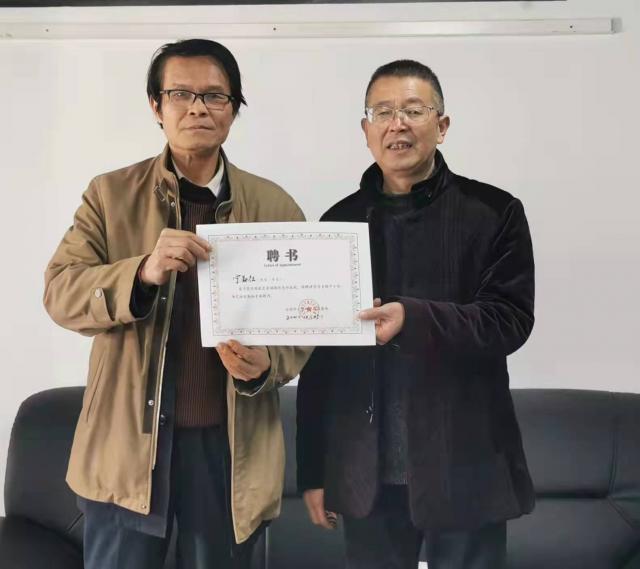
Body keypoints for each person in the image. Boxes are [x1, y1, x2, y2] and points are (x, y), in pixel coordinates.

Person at [44, 38, 310, 569]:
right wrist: (141, 272)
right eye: (180, 94)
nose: (197, 108)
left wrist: (268, 364)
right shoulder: (109, 195)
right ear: (156, 106)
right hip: (128, 446)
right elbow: (60, 292)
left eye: (215, 96)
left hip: (229, 449)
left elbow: (302, 321)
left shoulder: (274, 205)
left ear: (233, 109)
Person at [296, 59, 535, 569]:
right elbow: (321, 361)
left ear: (441, 126)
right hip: (365, 476)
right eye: (382, 112)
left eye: (413, 110)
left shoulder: (494, 212)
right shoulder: (338, 223)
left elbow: (510, 320)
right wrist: (312, 471)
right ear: (366, 131)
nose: (396, 124)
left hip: (466, 467)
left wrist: (415, 319)